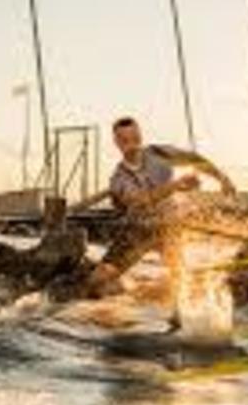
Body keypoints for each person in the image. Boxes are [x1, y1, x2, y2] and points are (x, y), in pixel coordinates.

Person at [86, 116, 235, 298]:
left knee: (181, 283)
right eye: (125, 140)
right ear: (117, 143)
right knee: (96, 282)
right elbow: (140, 200)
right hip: (138, 231)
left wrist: (222, 178)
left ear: (140, 136)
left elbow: (194, 159)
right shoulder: (118, 179)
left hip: (168, 226)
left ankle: (171, 296)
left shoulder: (159, 153)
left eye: (135, 138)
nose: (132, 144)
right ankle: (128, 290)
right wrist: (175, 186)